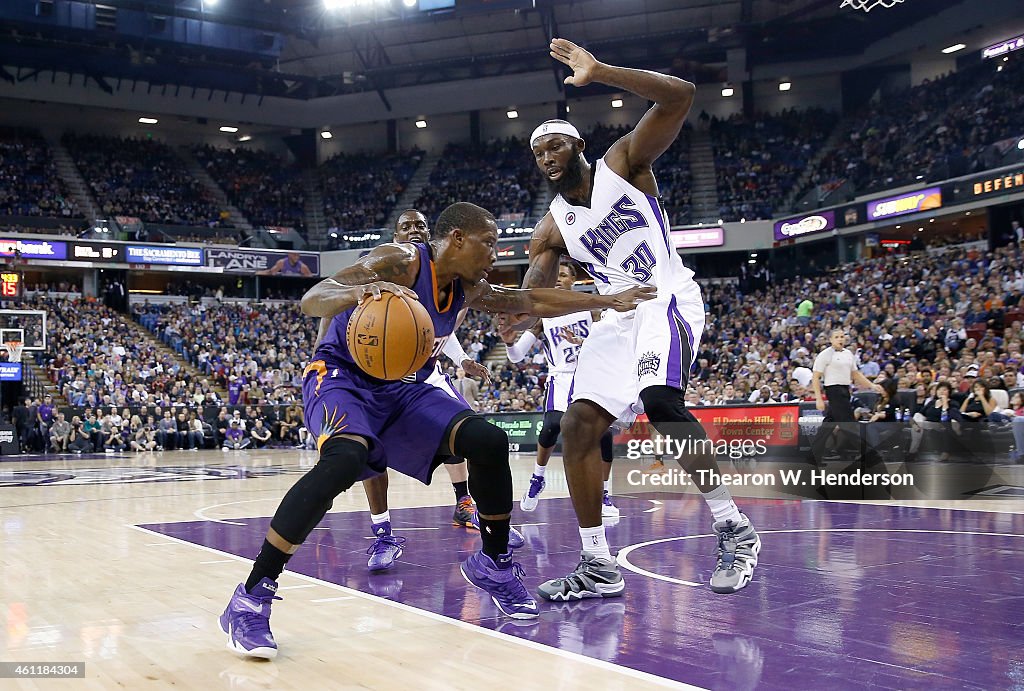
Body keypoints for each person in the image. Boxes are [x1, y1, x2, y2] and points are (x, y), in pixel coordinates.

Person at [219, 201, 652, 658]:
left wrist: (604, 299)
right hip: (341, 376)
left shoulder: (468, 289)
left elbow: (530, 300)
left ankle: (494, 563)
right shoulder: (399, 261)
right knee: (344, 461)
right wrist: (360, 292)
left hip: (402, 385)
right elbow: (313, 299)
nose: (495, 252)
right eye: (488, 242)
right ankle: (251, 595)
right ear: (457, 240)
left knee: (487, 440)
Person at [519, 38, 758, 599]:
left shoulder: (623, 165)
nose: (546, 157)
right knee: (578, 426)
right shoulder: (551, 228)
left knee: (660, 403)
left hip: (665, 296)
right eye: (537, 154)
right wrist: (503, 300)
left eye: (554, 146)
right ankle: (598, 565)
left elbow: (680, 96)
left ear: (577, 145)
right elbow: (533, 299)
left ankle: (734, 527)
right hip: (615, 314)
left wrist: (601, 71)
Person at [358, 209, 522, 576]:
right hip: (380, 375)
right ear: (395, 234)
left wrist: (463, 359)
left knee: (464, 433)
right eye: (406, 226)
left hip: (424, 372)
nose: (414, 230)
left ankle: (467, 504)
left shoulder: (445, 274)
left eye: (420, 225)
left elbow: (437, 330)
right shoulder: (386, 267)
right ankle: (382, 531)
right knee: (372, 450)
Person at [501, 262, 618, 518]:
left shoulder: (590, 307)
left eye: (563, 275)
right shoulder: (543, 314)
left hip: (590, 377)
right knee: (552, 424)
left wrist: (584, 341)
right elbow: (518, 356)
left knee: (605, 435)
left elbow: (610, 341)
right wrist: (510, 343)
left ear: (573, 280)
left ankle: (606, 493)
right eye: (555, 274)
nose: (557, 278)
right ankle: (537, 478)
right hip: (561, 377)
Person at [811, 329, 883, 462]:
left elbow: (856, 374)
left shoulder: (849, 354)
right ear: (831, 340)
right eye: (837, 337)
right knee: (848, 424)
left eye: (842, 337)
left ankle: (812, 456)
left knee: (828, 424)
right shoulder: (825, 355)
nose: (840, 339)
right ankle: (870, 455)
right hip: (833, 390)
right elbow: (815, 377)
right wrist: (818, 398)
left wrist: (872, 385)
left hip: (845, 389)